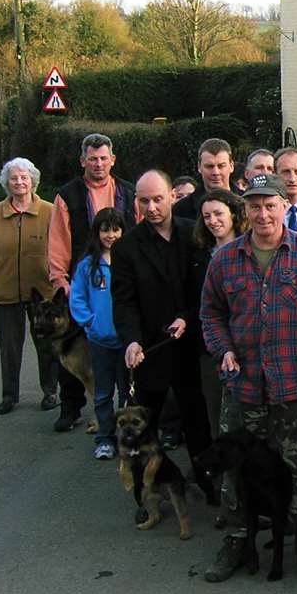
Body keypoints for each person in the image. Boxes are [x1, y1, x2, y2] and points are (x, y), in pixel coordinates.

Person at [200, 172, 297, 582]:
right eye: (254, 206)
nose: (262, 213)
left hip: (296, 387)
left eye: (270, 205)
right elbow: (210, 313)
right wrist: (223, 348)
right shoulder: (225, 259)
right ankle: (236, 538)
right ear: (243, 211)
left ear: (285, 206)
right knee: (234, 471)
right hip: (243, 387)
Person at [113, 170, 215, 500]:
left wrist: (187, 317)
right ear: (136, 202)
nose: (152, 207)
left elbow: (203, 289)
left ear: (173, 196)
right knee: (145, 430)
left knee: (197, 423)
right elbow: (123, 301)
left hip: (190, 348)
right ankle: (146, 495)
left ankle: (208, 484)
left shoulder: (193, 234)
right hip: (150, 351)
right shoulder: (127, 246)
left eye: (158, 199)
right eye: (145, 201)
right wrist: (131, 340)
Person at [48, 133, 136, 432]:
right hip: (81, 283)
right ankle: (71, 408)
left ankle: (126, 415)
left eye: (103, 158)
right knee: (73, 352)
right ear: (82, 161)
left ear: (112, 160)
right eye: (92, 159)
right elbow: (59, 239)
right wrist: (61, 279)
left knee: (126, 358)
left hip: (123, 283)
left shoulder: (128, 191)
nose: (98, 164)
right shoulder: (67, 195)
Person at [0, 157, 56, 415]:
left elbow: (62, 250)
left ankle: (50, 392)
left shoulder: (50, 211)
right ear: (6, 183)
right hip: (6, 292)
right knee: (9, 347)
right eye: (14, 178)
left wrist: (54, 277)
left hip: (42, 294)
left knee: (46, 345)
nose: (19, 182)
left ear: (33, 180)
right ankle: (9, 395)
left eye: (24, 177)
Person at [68, 208, 127, 460]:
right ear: (97, 232)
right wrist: (91, 322)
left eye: (115, 229)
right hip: (100, 340)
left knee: (128, 393)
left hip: (127, 341)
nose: (111, 235)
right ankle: (105, 438)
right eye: (105, 230)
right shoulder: (87, 265)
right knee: (103, 392)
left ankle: (127, 438)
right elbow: (77, 298)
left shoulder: (130, 261)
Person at [189, 187, 245, 437]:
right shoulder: (199, 256)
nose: (213, 221)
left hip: (247, 344)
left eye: (218, 214)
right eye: (207, 216)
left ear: (233, 214)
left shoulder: (251, 248)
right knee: (216, 414)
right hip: (210, 347)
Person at [179, 138, 237, 219]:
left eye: (221, 166)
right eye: (209, 166)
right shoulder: (182, 209)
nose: (216, 172)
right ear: (199, 167)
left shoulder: (248, 202)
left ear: (231, 166)